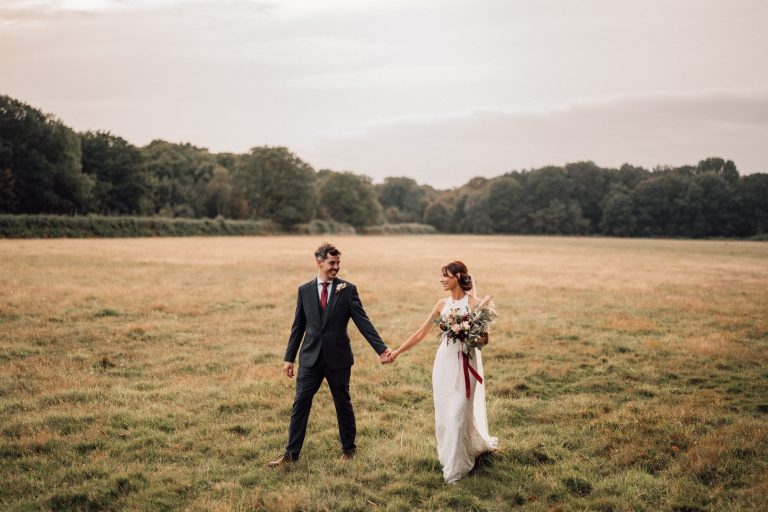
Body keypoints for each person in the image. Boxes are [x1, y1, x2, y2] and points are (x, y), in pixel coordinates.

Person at [267, 243, 391, 467]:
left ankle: (349, 450)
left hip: (338, 359)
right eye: (332, 263)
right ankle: (291, 454)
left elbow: (363, 322)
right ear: (319, 263)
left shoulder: (348, 289)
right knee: (300, 404)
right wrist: (289, 358)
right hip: (310, 359)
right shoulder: (304, 290)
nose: (336, 268)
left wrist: (381, 349)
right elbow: (298, 326)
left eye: (338, 263)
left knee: (342, 403)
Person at [384, 261, 498, 483]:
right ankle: (451, 455)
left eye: (445, 275)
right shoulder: (441, 305)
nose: (441, 279)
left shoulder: (476, 305)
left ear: (458, 277)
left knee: (458, 416)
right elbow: (420, 333)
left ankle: (456, 471)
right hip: (444, 365)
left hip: (466, 365)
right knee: (446, 417)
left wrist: (468, 333)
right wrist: (396, 353)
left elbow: (485, 340)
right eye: (441, 275)